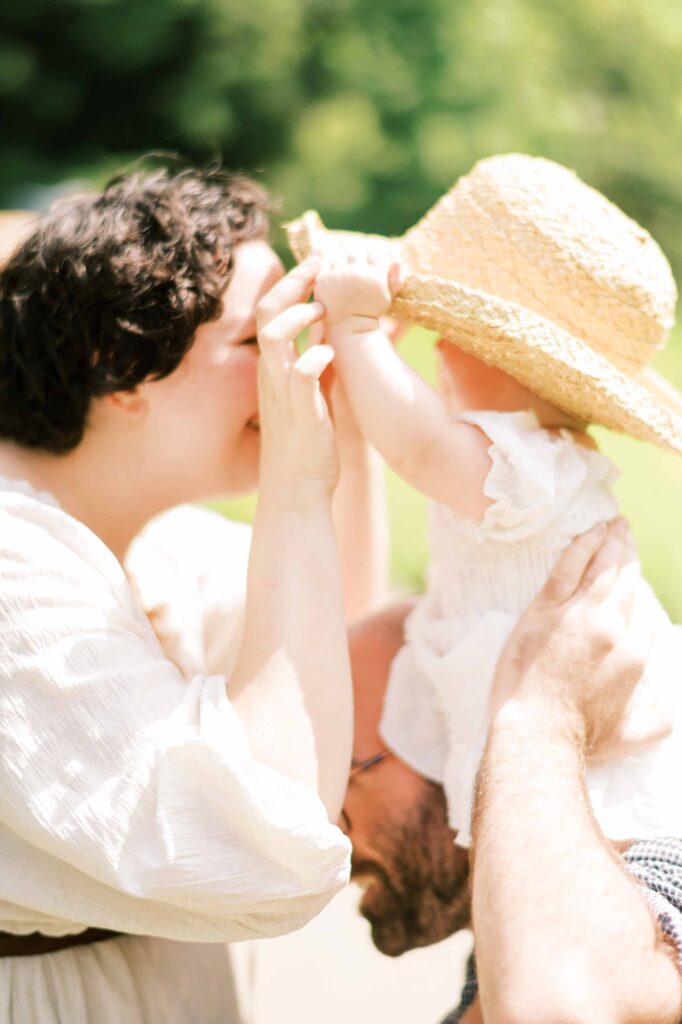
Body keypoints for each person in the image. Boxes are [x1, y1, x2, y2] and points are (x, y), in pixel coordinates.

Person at [0, 166, 386, 1024]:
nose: (292, 360)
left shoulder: (156, 539)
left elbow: (331, 650)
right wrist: (294, 482)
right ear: (119, 367)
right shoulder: (11, 572)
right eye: (257, 340)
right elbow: (265, 849)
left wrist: (345, 422)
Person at [291, 152, 682, 848]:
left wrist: (356, 332)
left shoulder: (523, 468)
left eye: (455, 335)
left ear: (509, 361)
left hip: (584, 768)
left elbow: (418, 446)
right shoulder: (548, 456)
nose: (438, 348)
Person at [343, 519, 682, 1023]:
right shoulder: (501, 953)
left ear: (464, 750)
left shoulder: (661, 869)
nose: (326, 826)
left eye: (346, 777)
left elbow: (557, 1012)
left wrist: (543, 713)